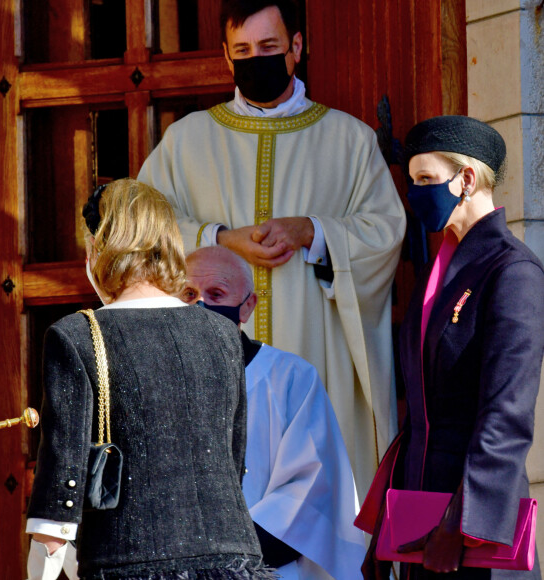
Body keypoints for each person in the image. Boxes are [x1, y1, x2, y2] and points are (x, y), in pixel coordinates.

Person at [137, 0, 406, 501]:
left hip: (315, 361)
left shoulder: (349, 140)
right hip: (208, 372)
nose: (254, 59)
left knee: (310, 516)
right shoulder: (185, 141)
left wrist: (313, 231)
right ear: (225, 55)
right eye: (242, 50)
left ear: (296, 48)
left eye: (268, 47)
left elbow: (386, 232)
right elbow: (142, 231)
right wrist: (219, 238)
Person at [25, 179, 272, 580]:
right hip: (233, 557)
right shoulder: (224, 333)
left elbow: (59, 489)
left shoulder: (75, 335)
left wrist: (44, 563)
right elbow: (232, 457)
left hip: (127, 560)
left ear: (96, 247)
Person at [361, 116, 544, 579]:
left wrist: (463, 525)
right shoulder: (437, 274)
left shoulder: (513, 272)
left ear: (465, 179)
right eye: (413, 182)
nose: (416, 194)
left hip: (475, 522)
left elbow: (508, 415)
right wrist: (387, 521)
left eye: (426, 180)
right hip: (420, 513)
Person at [182, 246, 366, 580]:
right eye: (188, 293)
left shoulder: (289, 378)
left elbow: (310, 489)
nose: (201, 305)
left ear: (248, 306)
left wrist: (224, 555)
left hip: (263, 569)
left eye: (217, 293)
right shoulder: (149, 379)